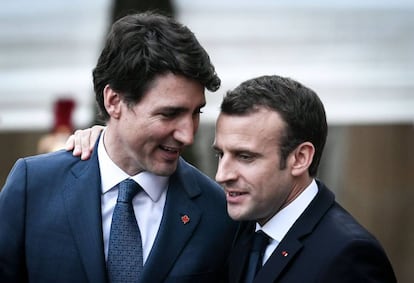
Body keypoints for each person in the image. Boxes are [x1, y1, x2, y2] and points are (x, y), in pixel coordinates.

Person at [66, 74, 398, 282]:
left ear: (300, 158)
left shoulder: (349, 255)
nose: (222, 175)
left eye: (245, 157)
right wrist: (113, 142)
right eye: (220, 154)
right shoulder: (239, 228)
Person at [0, 12, 237, 283]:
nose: (187, 135)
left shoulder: (217, 212)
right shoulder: (34, 187)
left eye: (196, 113)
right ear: (114, 101)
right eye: (169, 114)